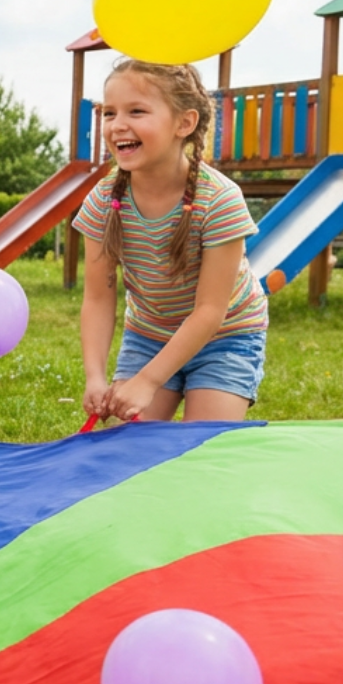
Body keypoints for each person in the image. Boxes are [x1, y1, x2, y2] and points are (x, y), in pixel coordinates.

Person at [77, 59, 266, 423]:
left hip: (225, 338)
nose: (118, 125)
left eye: (136, 111)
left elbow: (210, 312)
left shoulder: (220, 200)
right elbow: (98, 297)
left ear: (185, 123)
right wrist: (95, 376)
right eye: (109, 113)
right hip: (149, 335)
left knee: (204, 449)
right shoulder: (103, 201)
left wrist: (147, 380)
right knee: (127, 454)